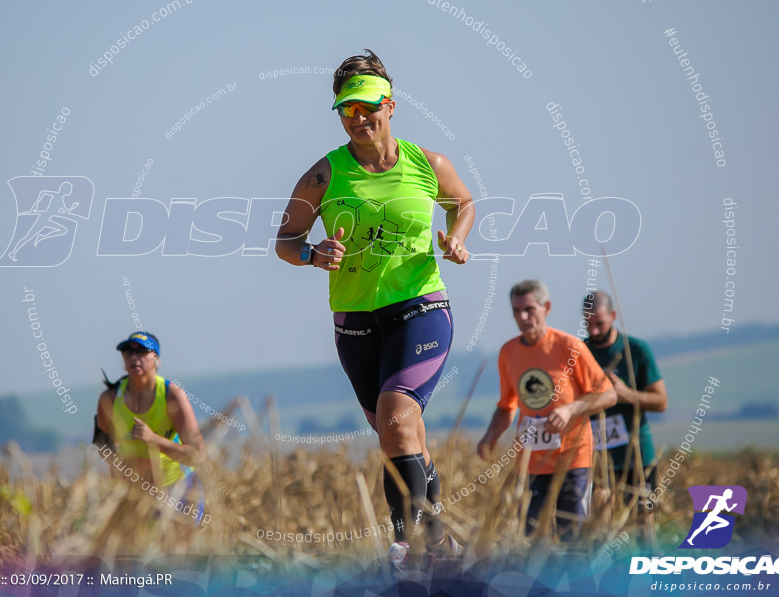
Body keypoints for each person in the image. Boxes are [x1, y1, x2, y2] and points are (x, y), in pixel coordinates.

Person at [275, 49, 475, 569]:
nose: (359, 119)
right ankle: (442, 543)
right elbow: (286, 240)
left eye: (368, 108)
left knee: (394, 417)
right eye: (348, 111)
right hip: (356, 324)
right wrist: (313, 254)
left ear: (390, 104)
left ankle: (409, 541)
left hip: (420, 307)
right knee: (400, 436)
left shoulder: (428, 164)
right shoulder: (322, 176)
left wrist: (455, 238)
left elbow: (464, 203)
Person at [476, 280, 616, 538]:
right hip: (533, 462)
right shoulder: (508, 352)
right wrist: (489, 437)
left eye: (529, 309)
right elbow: (507, 406)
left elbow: (608, 394)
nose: (523, 317)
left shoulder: (570, 347)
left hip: (573, 459)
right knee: (531, 538)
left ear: (547, 307)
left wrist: (570, 409)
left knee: (570, 537)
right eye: (516, 311)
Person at [94, 331, 207, 522]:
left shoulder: (173, 396)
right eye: (127, 352)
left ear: (157, 360)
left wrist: (154, 440)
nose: (133, 357)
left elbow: (198, 456)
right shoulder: (110, 399)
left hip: (178, 489)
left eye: (142, 351)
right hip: (135, 495)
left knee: (180, 552)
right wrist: (121, 468)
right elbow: (102, 444)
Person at [583, 291, 667, 503]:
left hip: (637, 455)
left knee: (642, 523)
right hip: (596, 459)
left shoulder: (637, 350)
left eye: (599, 323)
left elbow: (661, 401)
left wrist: (625, 394)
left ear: (613, 315)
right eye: (588, 324)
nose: (593, 330)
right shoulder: (579, 352)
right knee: (600, 527)